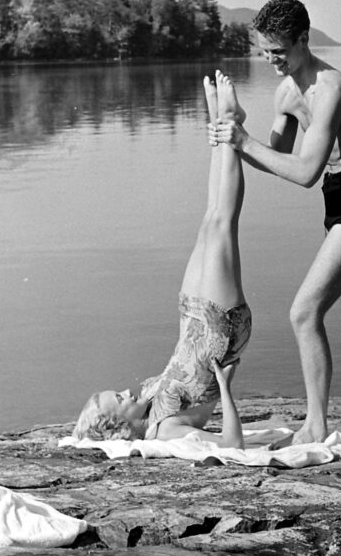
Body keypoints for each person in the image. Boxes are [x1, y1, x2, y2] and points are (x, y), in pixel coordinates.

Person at [210, 0, 341, 446]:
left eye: (279, 52)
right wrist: (237, 126)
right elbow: (276, 156)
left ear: (304, 39)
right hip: (337, 205)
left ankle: (315, 425)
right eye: (264, 52)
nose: (271, 61)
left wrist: (243, 141)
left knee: (304, 313)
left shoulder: (333, 89)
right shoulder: (286, 92)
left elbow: (305, 172)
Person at [73, 71, 250, 449]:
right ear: (117, 427)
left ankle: (220, 122)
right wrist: (225, 388)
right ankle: (231, 125)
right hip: (220, 329)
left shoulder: (148, 404)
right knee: (222, 222)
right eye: (118, 400)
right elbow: (233, 446)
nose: (125, 390)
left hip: (191, 319)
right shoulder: (164, 430)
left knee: (208, 218)